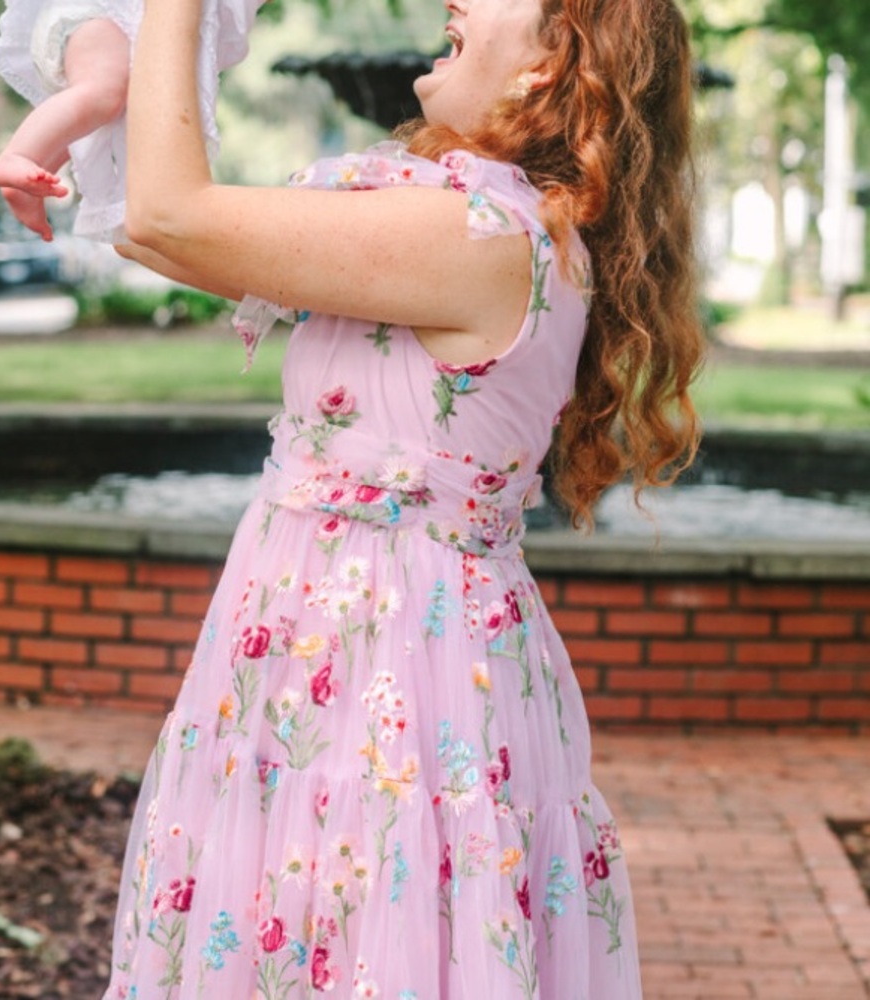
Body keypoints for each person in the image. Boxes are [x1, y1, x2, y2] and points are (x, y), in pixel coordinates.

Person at [104, 0, 704, 994]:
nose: (453, 1)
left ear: (551, 61)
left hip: (386, 665)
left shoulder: (481, 234)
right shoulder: (483, 222)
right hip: (343, 643)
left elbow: (170, 215)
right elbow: (161, 233)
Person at [0, 0, 262, 242]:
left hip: (103, 26)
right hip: (95, 14)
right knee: (102, 94)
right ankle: (18, 155)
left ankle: (33, 174)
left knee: (100, 114)